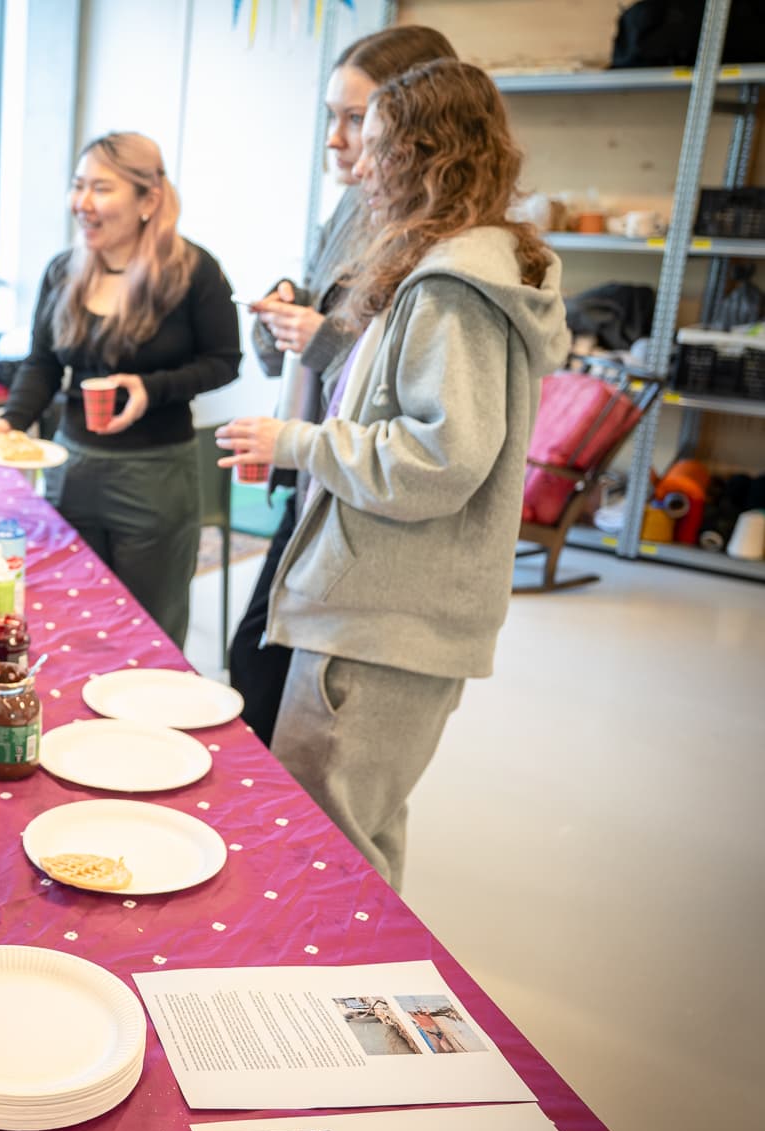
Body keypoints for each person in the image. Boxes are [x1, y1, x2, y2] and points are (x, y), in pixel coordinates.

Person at [215, 60, 570, 888]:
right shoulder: (457, 265)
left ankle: (323, 977)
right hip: (382, 611)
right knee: (356, 838)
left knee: (321, 854)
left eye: (376, 145)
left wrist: (300, 442)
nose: (360, 166)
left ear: (426, 155)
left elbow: (440, 460)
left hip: (378, 621)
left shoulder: (452, 290)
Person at [228, 26, 458, 746]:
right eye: (333, 116)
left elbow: (391, 385)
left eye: (355, 119)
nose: (336, 140)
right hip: (318, 480)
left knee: (274, 687)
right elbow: (329, 324)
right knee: (254, 664)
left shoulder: (436, 249)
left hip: (360, 505)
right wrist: (289, 311)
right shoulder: (356, 207)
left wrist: (319, 336)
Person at [0, 131, 241, 652]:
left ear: (149, 198)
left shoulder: (194, 271)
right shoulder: (64, 270)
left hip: (155, 478)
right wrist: (11, 421)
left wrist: (151, 388)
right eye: (78, 185)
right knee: (69, 623)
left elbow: (224, 362)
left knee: (148, 634)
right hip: (70, 470)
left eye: (101, 188)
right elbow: (42, 363)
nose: (82, 202)